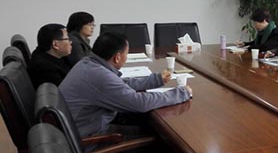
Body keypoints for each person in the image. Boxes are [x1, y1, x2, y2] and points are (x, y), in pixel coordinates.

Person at [59, 31, 192, 137]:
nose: (126, 57)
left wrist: (156, 80)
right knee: (158, 135)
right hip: (89, 140)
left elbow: (120, 83)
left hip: (79, 130)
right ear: (117, 57)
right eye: (126, 54)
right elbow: (140, 103)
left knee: (145, 123)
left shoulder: (88, 63)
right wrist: (181, 93)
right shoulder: (99, 75)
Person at [28, 23, 72, 88]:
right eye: (68, 39)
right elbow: (66, 90)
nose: (71, 42)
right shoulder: (45, 69)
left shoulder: (47, 54)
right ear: (55, 44)